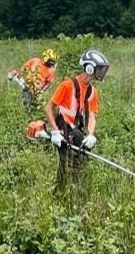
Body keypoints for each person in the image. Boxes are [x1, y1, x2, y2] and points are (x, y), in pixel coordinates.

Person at [45, 49, 108, 192]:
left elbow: (92, 115)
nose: (101, 72)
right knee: (67, 163)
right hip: (62, 127)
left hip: (76, 129)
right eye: (99, 68)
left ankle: (74, 191)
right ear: (89, 67)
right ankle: (61, 192)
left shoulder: (92, 91)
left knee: (81, 159)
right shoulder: (67, 85)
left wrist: (91, 134)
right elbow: (48, 108)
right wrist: (55, 131)